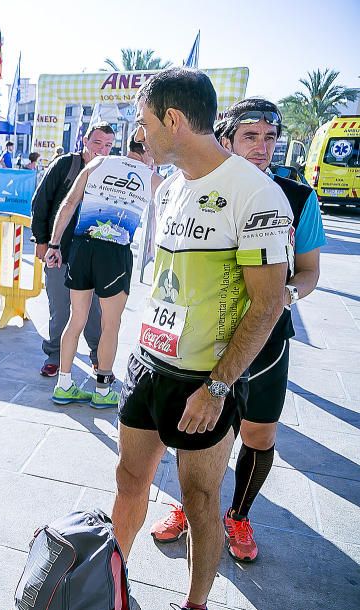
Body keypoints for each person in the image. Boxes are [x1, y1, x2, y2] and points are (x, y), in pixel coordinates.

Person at [111, 70, 291, 610]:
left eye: (143, 122)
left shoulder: (254, 191)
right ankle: (112, 580)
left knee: (200, 497)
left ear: (172, 120)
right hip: (148, 363)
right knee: (129, 482)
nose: (138, 136)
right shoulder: (169, 186)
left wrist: (217, 386)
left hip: (204, 380)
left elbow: (268, 303)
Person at [149, 98, 325, 563]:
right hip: (207, 340)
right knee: (192, 429)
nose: (263, 147)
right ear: (226, 138)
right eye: (251, 136)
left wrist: (281, 299)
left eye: (270, 138)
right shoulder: (189, 187)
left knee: (259, 436)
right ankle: (187, 505)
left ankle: (239, 513)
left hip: (265, 343)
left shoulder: (298, 197)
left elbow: (308, 271)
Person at [43, 143, 154, 408]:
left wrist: (54, 244)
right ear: (148, 151)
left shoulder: (97, 163)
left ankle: (64, 384)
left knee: (76, 318)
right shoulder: (151, 176)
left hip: (82, 246)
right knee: (110, 324)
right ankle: (103, 390)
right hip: (115, 254)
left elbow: (69, 203)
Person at [30, 122, 116, 377]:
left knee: (93, 311)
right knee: (60, 307)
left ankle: (97, 357)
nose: (101, 150)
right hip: (59, 251)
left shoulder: (109, 171)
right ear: (85, 141)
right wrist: (42, 241)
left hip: (92, 256)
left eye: (108, 145)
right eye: (97, 143)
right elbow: (40, 203)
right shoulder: (66, 165)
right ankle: (54, 355)